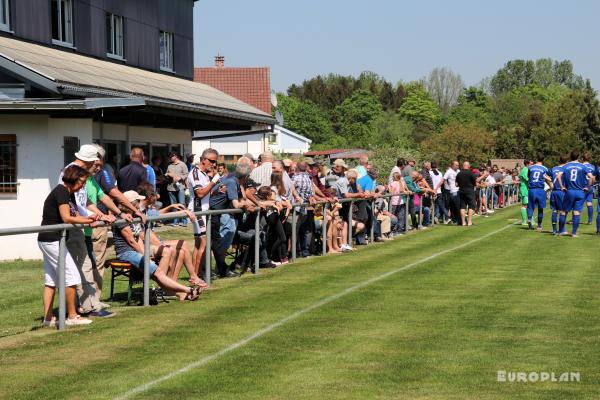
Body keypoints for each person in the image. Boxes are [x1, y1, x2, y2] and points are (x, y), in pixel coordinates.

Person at [60, 145, 116, 317]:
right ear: (90, 160)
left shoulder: (79, 173)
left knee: (84, 267)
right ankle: (88, 308)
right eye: (96, 164)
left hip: (79, 227)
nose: (98, 168)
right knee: (82, 268)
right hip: (73, 229)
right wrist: (94, 218)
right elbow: (73, 207)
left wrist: (99, 215)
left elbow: (85, 203)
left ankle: (86, 305)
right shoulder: (72, 173)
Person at [112, 194, 201, 301]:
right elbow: (132, 241)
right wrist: (145, 255)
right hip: (126, 252)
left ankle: (172, 290)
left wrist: (146, 251)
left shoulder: (134, 216)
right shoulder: (121, 219)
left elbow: (138, 238)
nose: (139, 203)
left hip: (136, 249)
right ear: (130, 203)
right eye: (137, 201)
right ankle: (187, 290)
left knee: (168, 250)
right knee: (159, 271)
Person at [38, 165, 97, 327]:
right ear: (72, 178)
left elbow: (76, 214)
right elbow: (66, 218)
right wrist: (89, 221)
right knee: (71, 276)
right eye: (82, 182)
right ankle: (72, 316)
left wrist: (93, 217)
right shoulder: (62, 191)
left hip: (50, 239)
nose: (83, 185)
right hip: (52, 240)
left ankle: (48, 318)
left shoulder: (69, 194)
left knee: (51, 280)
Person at [209, 163, 256, 277]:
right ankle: (218, 269)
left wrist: (253, 204)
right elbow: (236, 204)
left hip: (221, 213)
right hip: (221, 213)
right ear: (246, 176)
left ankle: (219, 269)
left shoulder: (232, 179)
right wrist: (245, 206)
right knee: (221, 244)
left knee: (218, 243)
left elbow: (242, 199)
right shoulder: (232, 181)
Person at [188, 149, 220, 277]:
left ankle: (195, 275)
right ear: (204, 160)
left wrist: (217, 190)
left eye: (215, 162)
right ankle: (195, 276)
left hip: (203, 210)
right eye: (212, 161)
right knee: (203, 244)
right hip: (198, 210)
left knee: (198, 245)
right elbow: (200, 193)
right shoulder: (195, 173)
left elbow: (206, 193)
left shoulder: (204, 174)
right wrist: (213, 182)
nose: (214, 164)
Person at [556, 151, 594, 237]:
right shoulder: (582, 166)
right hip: (580, 192)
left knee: (563, 211)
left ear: (570, 157)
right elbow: (591, 177)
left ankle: (561, 231)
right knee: (576, 212)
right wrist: (588, 187)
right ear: (578, 157)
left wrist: (562, 186)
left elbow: (558, 176)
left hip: (569, 191)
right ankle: (573, 233)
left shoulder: (566, 165)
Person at [527, 154, 553, 231]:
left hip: (531, 189)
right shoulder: (545, 168)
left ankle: (529, 218)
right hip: (540, 189)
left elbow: (529, 177)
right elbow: (547, 178)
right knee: (540, 208)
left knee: (531, 206)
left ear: (536, 158)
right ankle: (539, 226)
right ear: (543, 160)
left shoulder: (530, 167)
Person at [456, 161, 486, 226]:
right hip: (470, 191)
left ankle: (463, 222)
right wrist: (481, 184)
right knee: (472, 206)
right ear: (468, 166)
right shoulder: (471, 173)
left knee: (462, 207)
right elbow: (475, 183)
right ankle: (469, 222)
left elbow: (456, 184)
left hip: (461, 191)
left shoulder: (459, 174)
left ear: (463, 166)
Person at [165, 152, 189, 227]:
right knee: (173, 205)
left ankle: (184, 221)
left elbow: (187, 174)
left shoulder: (182, 164)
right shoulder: (169, 166)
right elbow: (166, 174)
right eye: (169, 157)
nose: (170, 158)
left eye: (171, 157)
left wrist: (180, 177)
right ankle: (175, 221)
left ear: (175, 156)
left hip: (180, 187)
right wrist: (167, 175)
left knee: (182, 204)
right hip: (171, 188)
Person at [550, 155, 567, 235]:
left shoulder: (553, 168)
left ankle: (554, 230)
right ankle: (561, 230)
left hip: (553, 192)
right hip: (561, 192)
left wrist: (550, 185)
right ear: (566, 161)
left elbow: (546, 177)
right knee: (562, 211)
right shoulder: (565, 169)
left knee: (554, 211)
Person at [582, 153, 596, 224]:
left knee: (578, 203)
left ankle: (574, 219)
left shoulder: (581, 166)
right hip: (590, 186)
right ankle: (590, 220)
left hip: (583, 186)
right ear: (589, 159)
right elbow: (593, 178)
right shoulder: (593, 166)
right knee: (589, 203)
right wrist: (591, 185)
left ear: (582, 158)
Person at [519, 160, 532, 226]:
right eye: (531, 163)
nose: (532, 164)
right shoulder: (525, 170)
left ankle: (530, 220)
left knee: (528, 205)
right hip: (525, 189)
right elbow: (527, 179)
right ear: (527, 164)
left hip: (526, 189)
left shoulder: (526, 169)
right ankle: (524, 221)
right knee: (525, 205)